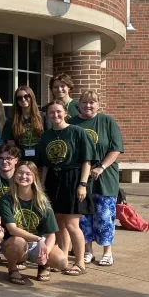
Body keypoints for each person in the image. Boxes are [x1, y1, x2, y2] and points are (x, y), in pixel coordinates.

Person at [38, 100, 94, 276]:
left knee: (72, 224)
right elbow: (44, 165)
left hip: (72, 179)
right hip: (53, 181)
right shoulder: (46, 136)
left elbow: (87, 161)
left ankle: (79, 262)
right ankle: (62, 259)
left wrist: (83, 184)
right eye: (51, 113)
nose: (55, 115)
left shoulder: (77, 132)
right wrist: (42, 187)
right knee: (59, 223)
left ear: (65, 113)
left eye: (58, 112)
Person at [69, 90, 123, 266]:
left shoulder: (107, 121)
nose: (88, 106)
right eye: (84, 102)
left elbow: (115, 149)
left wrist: (101, 166)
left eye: (92, 102)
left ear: (98, 104)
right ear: (79, 104)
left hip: (105, 177)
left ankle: (107, 252)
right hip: (81, 178)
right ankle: (88, 251)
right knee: (84, 216)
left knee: (104, 216)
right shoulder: (72, 123)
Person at [0, 162, 67, 285]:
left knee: (61, 261)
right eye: (20, 172)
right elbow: (13, 229)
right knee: (18, 241)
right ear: (14, 175)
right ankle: (12, 267)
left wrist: (45, 252)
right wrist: (39, 239)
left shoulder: (42, 202)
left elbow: (51, 234)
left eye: (28, 174)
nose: (23, 176)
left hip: (38, 244)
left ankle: (43, 265)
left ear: (35, 177)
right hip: (15, 243)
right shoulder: (6, 200)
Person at [1, 85, 45, 162]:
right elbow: (12, 147)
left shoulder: (43, 117)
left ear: (32, 97)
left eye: (26, 96)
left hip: (41, 162)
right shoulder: (11, 121)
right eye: (19, 98)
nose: (23, 99)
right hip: (22, 163)